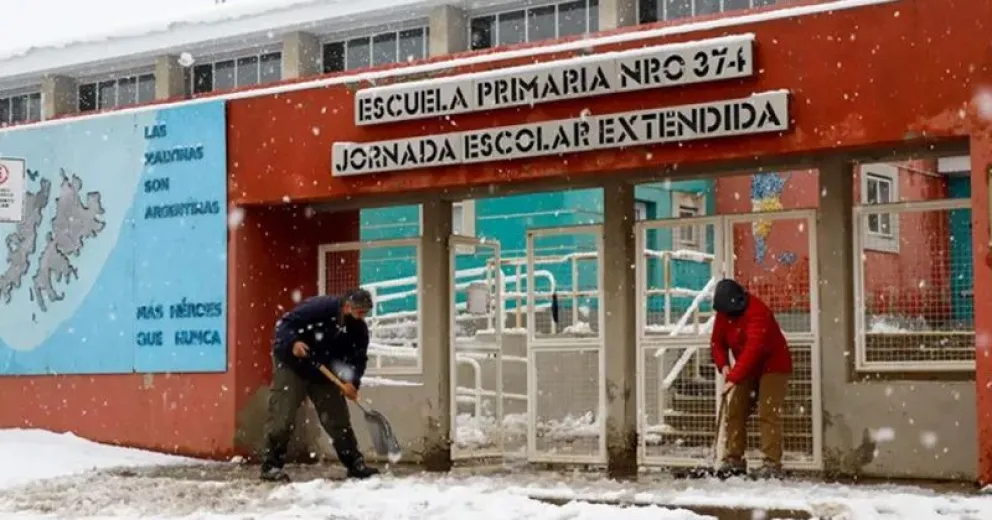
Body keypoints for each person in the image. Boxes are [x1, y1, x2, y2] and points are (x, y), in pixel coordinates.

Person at [259, 288, 379, 482]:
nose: (362, 316)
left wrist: (352, 382)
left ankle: (355, 464)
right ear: (347, 306)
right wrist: (293, 343)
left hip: (324, 372)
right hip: (293, 365)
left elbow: (359, 359)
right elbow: (284, 325)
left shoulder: (358, 330)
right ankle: (271, 466)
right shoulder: (320, 308)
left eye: (365, 312)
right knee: (282, 417)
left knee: (337, 420)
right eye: (360, 311)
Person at [709, 278, 792, 479]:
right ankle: (733, 459)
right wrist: (724, 366)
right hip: (747, 369)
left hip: (773, 365)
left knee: (767, 411)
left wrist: (734, 377)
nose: (726, 316)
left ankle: (772, 463)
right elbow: (716, 342)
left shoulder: (757, 312)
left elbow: (752, 350)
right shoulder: (723, 313)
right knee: (736, 409)